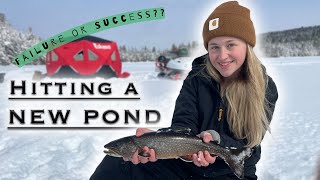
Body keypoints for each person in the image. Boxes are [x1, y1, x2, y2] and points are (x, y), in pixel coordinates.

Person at [90, 1, 278, 179]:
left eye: (230, 45)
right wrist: (163, 142)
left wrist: (216, 139)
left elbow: (249, 145)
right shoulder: (196, 79)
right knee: (117, 163)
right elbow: (183, 122)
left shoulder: (265, 87)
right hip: (187, 168)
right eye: (214, 47)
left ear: (247, 46)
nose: (222, 55)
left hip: (232, 173)